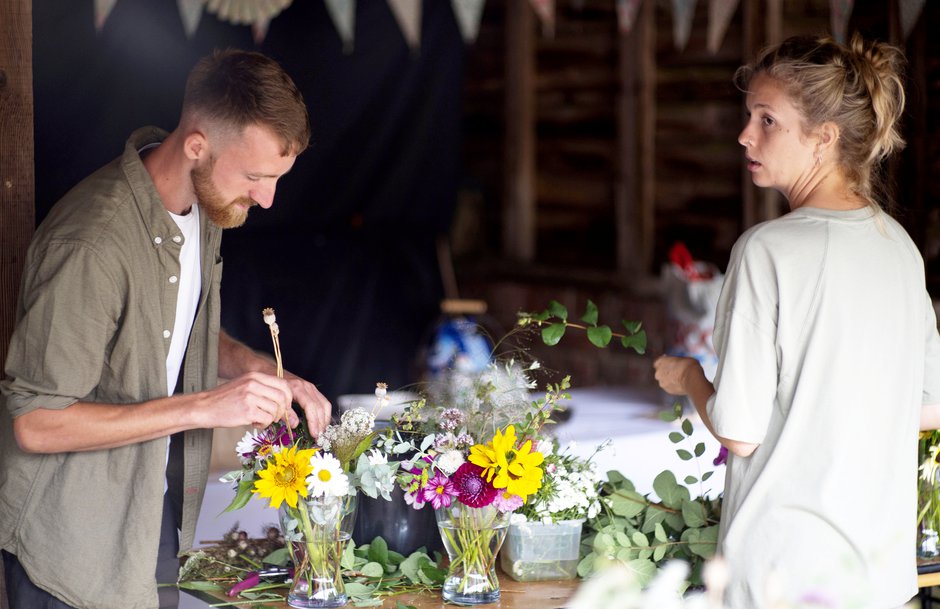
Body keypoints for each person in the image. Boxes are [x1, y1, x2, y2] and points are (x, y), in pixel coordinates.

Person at [0, 49, 332, 609]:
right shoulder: (93, 243)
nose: (267, 199)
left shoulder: (204, 208)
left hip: (148, 515)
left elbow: (172, 332)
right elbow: (36, 422)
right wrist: (205, 407)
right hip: (71, 542)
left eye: (275, 178)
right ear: (197, 145)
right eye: (255, 176)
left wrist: (261, 371)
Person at [654, 34, 940, 608]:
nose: (745, 135)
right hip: (875, 572)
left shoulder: (766, 251)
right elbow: (927, 408)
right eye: (748, 117)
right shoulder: (901, 249)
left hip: (782, 573)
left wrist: (688, 378)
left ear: (824, 139)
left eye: (767, 121)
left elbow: (739, 430)